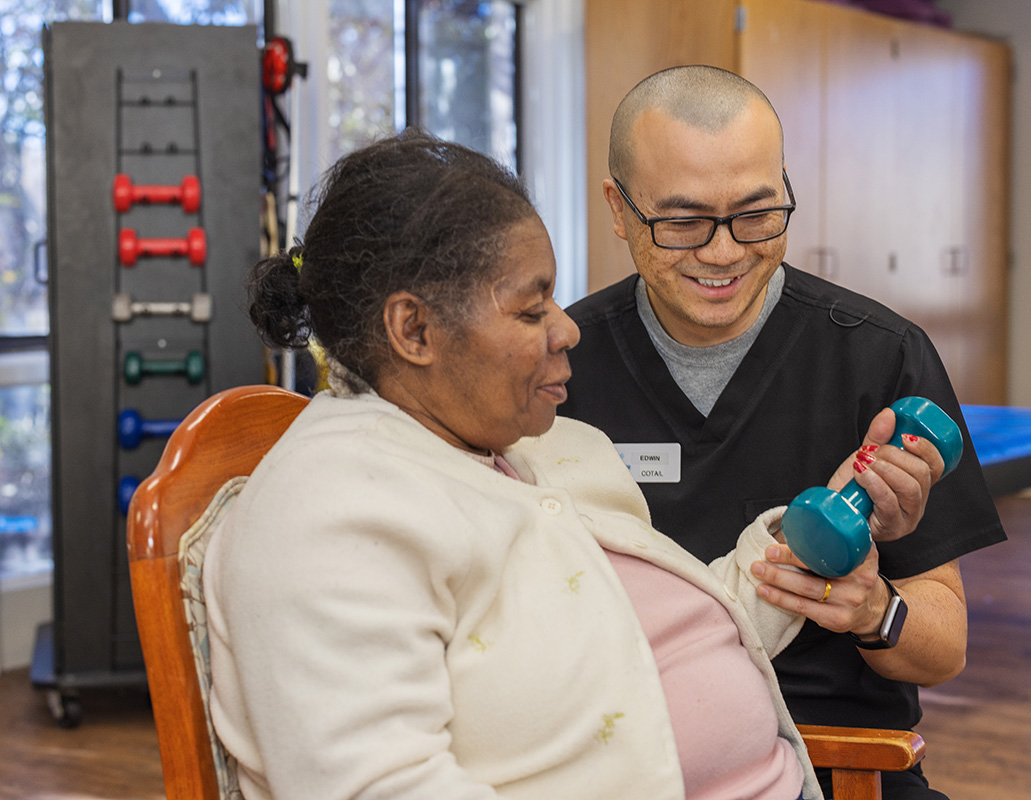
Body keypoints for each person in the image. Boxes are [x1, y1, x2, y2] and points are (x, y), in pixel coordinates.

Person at [196, 128, 901, 799]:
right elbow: (374, 783)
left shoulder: (545, 449)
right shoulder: (328, 516)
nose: (567, 329)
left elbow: (657, 631)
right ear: (414, 330)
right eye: (532, 311)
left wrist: (803, 540)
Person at [558, 66, 1007, 800]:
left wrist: (874, 609)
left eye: (757, 215)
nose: (725, 252)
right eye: (682, 221)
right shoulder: (558, 370)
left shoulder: (880, 359)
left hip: (838, 762)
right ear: (619, 207)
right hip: (624, 760)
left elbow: (942, 646)